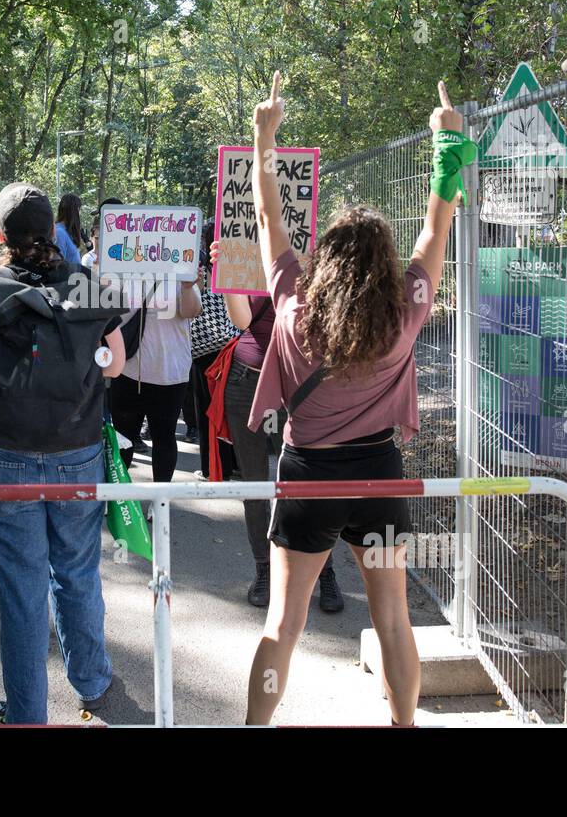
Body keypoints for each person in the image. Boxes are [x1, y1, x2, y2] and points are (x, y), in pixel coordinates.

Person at [244, 76, 473, 726]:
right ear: (382, 267)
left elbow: (267, 218)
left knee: (283, 625)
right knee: (394, 620)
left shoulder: (291, 303)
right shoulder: (403, 314)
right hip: (377, 475)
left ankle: (255, 728)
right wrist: (447, 139)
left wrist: (266, 137)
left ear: (326, 262)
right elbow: (438, 221)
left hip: (309, 474)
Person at [0, 182, 127, 725]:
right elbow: (116, 364)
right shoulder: (89, 284)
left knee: (22, 590)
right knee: (78, 572)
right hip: (78, 452)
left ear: (0, 236)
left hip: (4, 457)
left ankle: (26, 713)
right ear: (55, 234)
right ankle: (90, 680)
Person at [213, 246, 340, 612]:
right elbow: (240, 322)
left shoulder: (317, 263)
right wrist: (228, 272)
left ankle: (324, 572)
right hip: (248, 384)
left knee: (309, 486)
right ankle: (264, 570)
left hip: (300, 390)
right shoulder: (252, 260)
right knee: (255, 486)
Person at [109, 270, 201, 485]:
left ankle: (160, 500)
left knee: (164, 437)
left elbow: (192, 311)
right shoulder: (121, 269)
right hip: (127, 370)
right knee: (123, 438)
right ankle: (119, 498)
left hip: (170, 372)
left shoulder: (181, 270)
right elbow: (106, 314)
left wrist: (187, 287)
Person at [186, 222, 240, 478]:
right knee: (229, 408)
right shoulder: (232, 268)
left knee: (207, 410)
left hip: (203, 349)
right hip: (230, 345)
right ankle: (235, 463)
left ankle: (211, 468)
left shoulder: (199, 270)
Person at [55, 192, 85, 265]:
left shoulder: (67, 232)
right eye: (79, 209)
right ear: (76, 210)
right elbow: (58, 266)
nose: (80, 214)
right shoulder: (59, 233)